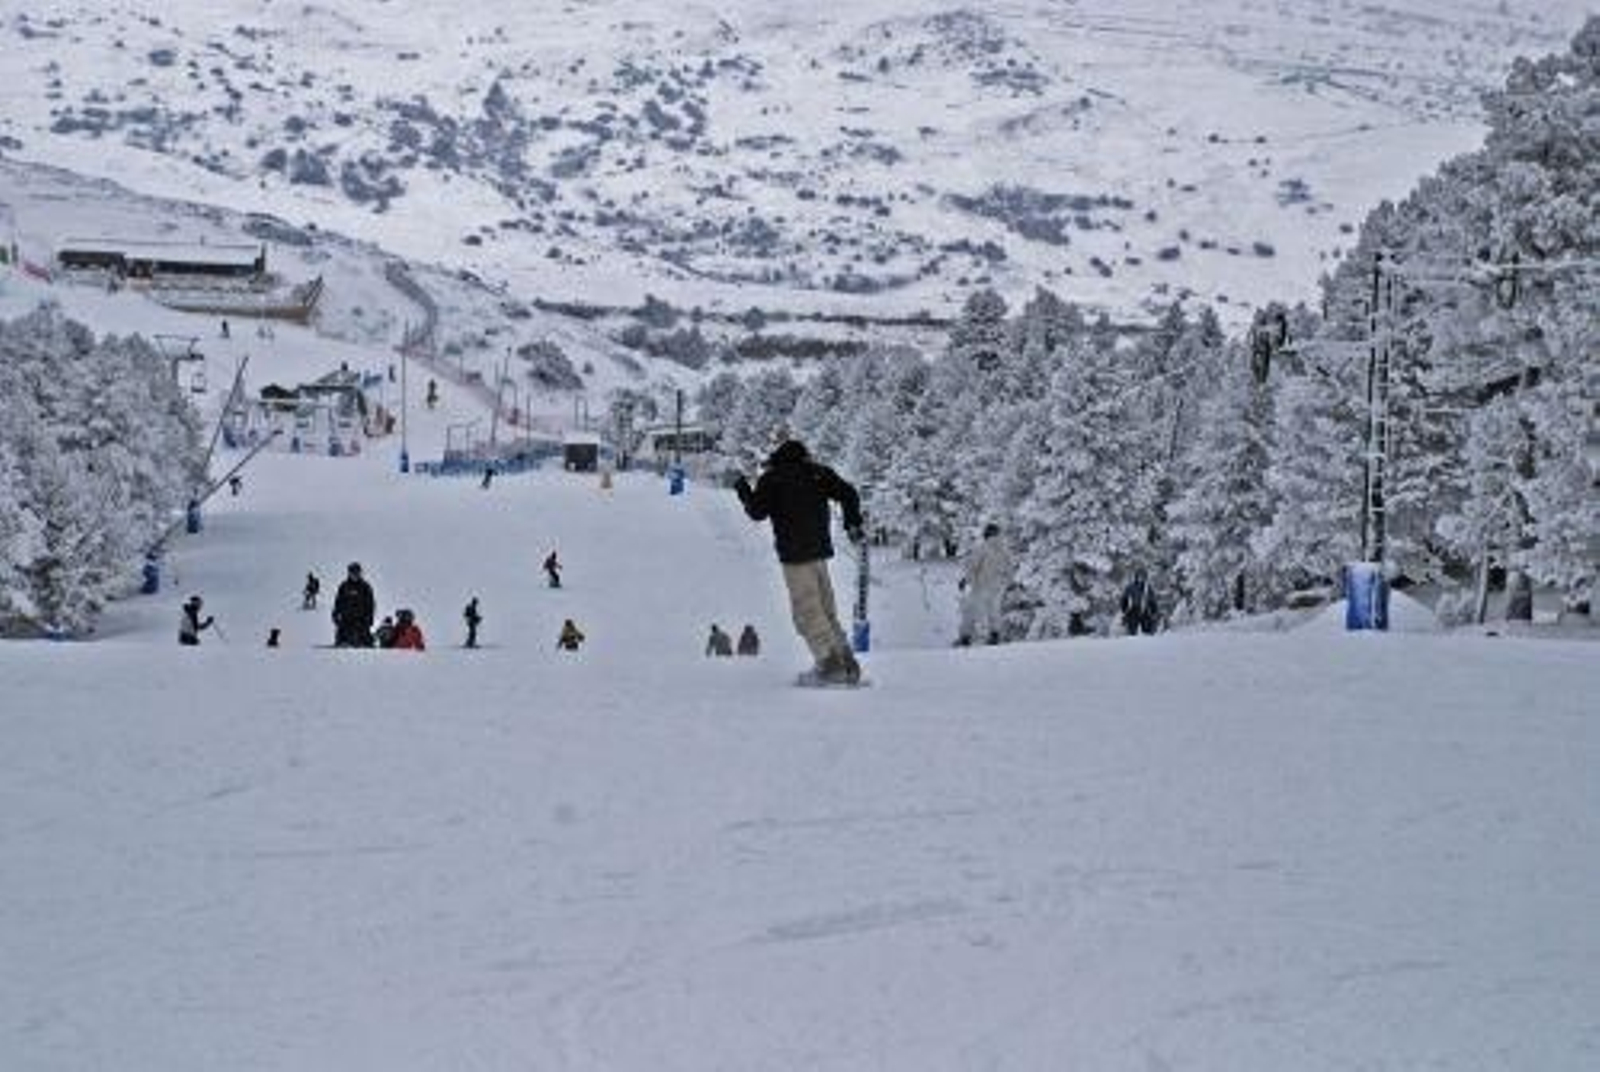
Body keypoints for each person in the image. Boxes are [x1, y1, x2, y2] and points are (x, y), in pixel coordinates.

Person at [734, 439, 864, 686]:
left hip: (795, 556)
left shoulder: (773, 478)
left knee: (807, 612)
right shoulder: (817, 473)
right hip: (819, 552)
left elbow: (757, 512)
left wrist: (743, 490)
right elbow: (849, 493)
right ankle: (848, 664)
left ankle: (829, 666)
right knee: (826, 610)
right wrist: (852, 523)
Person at [957, 522, 1013, 647]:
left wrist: (965, 580)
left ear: (987, 534)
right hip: (998, 587)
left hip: (982, 586)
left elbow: (972, 566)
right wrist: (1006, 584)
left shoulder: (982, 548)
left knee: (970, 610)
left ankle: (965, 637)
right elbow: (1009, 569)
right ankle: (995, 635)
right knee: (994, 611)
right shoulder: (1004, 550)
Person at [332, 562, 376, 647]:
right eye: (352, 573)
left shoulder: (365, 587)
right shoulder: (344, 586)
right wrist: (335, 614)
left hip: (361, 621)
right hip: (346, 621)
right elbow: (338, 602)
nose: (355, 575)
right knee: (342, 639)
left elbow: (370, 605)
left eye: (357, 573)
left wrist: (369, 618)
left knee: (365, 642)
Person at [1120, 568, 1161, 636]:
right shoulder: (1130, 587)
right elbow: (1124, 599)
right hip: (1133, 610)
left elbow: (1152, 601)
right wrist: (1124, 610)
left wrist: (1154, 612)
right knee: (1132, 631)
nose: (1140, 579)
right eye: (1139, 577)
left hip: (1145, 610)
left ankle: (1148, 641)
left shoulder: (1147, 588)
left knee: (1148, 632)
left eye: (1142, 577)